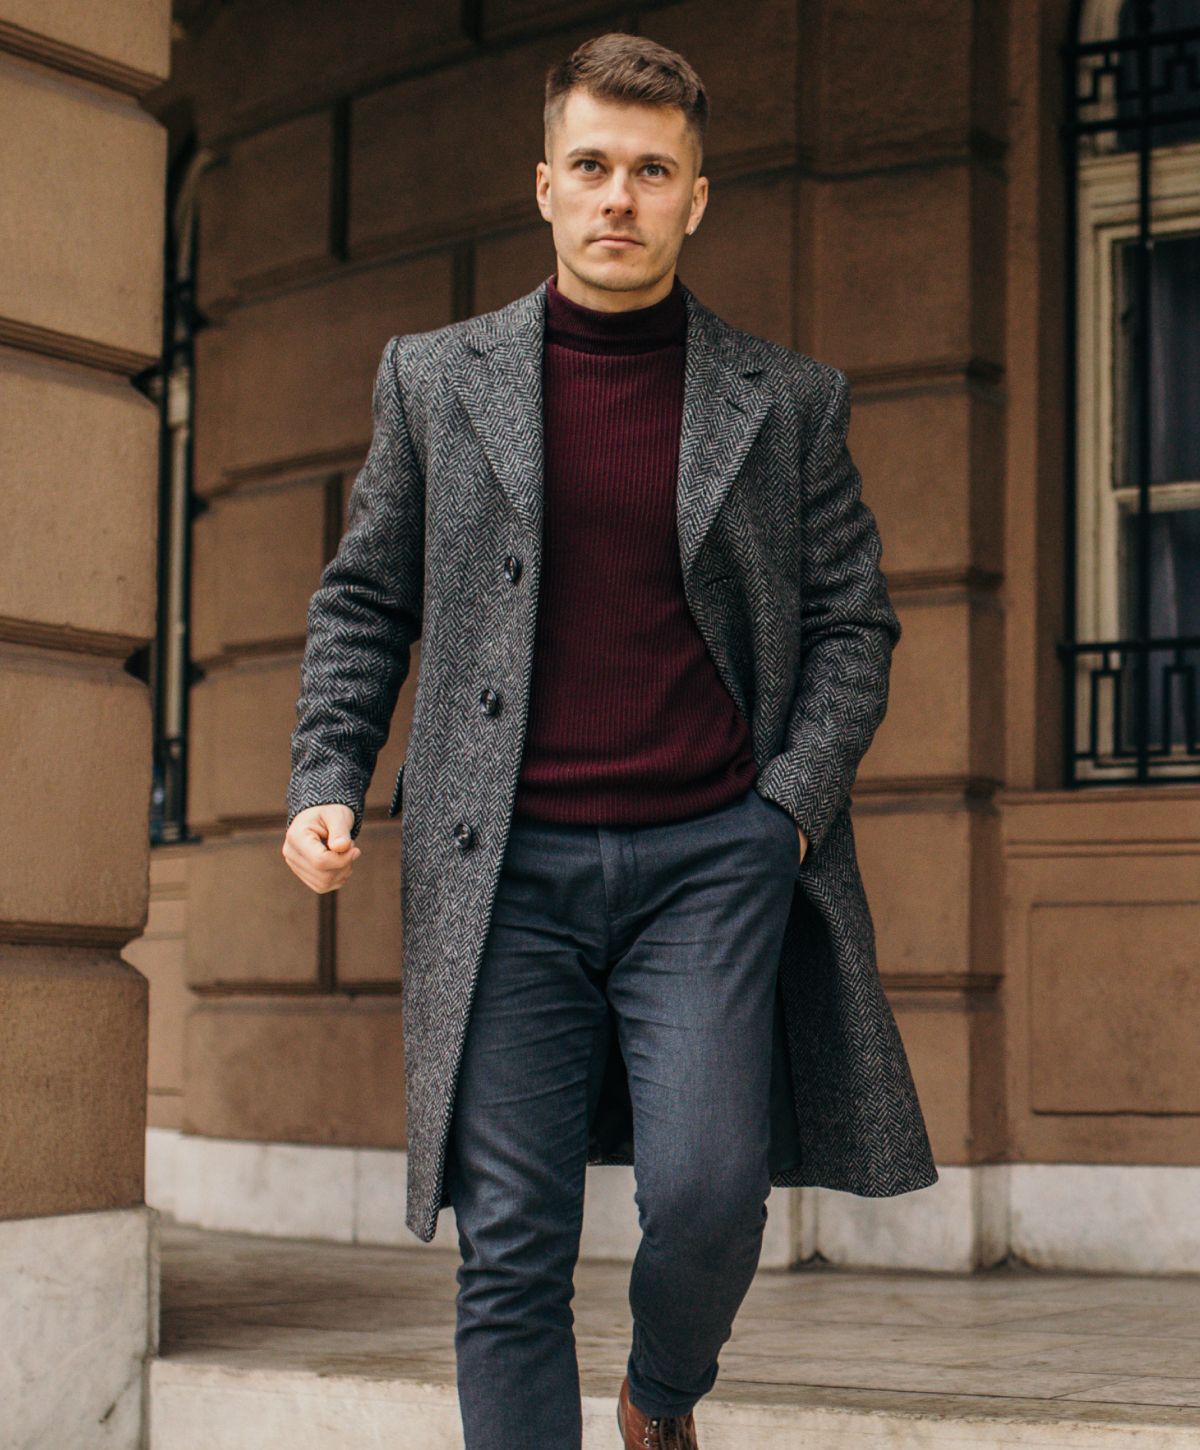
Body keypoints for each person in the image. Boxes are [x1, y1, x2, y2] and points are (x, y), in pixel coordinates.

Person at [282, 30, 937, 1450]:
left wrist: (788, 814)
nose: (619, 198)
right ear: (543, 185)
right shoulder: (433, 381)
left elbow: (853, 626)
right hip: (501, 869)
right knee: (509, 1241)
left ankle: (661, 1394)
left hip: (715, 856)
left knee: (710, 1187)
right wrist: (327, 774)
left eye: (653, 171)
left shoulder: (789, 401)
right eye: (592, 166)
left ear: (697, 197)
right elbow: (362, 598)